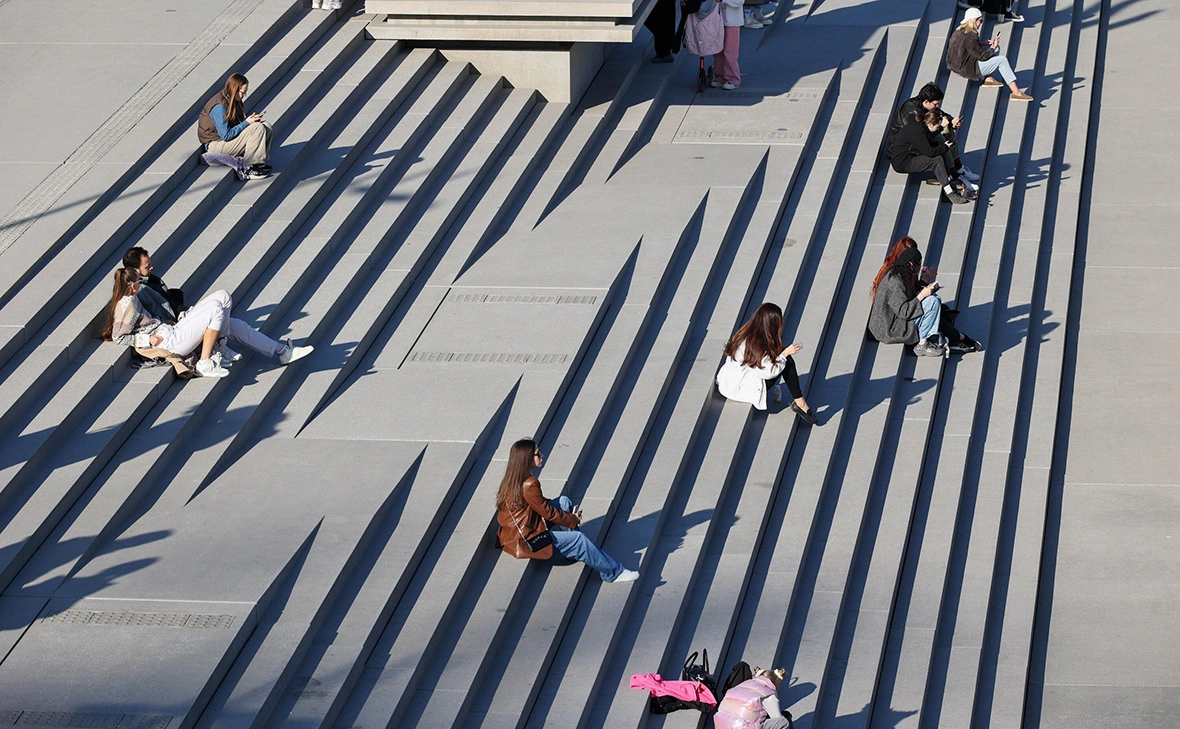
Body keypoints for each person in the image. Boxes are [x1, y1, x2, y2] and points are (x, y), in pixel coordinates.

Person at [101, 268, 313, 377]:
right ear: (131, 285)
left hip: (172, 330)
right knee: (216, 311)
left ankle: (281, 351)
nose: (142, 283)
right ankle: (205, 361)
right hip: (169, 342)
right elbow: (118, 337)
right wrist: (147, 339)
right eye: (139, 281)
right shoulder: (126, 305)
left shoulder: (133, 297)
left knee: (223, 297)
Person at [495, 439, 639, 583]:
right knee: (579, 539)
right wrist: (573, 519)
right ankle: (613, 573)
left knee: (563, 501)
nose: (542, 455)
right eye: (538, 454)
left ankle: (576, 550)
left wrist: (568, 518)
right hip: (526, 539)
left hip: (521, 529)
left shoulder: (513, 477)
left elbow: (538, 504)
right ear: (527, 459)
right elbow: (548, 513)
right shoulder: (529, 484)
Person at [868, 237, 982, 357]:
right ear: (911, 263)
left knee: (937, 304)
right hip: (889, 329)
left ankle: (957, 337)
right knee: (933, 302)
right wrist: (922, 294)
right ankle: (924, 344)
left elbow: (907, 297)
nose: (918, 268)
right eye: (917, 264)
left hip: (895, 320)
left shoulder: (901, 273)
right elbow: (904, 311)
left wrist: (923, 281)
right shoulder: (895, 280)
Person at [716, 303, 818, 424]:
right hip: (739, 389)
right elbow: (768, 373)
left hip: (730, 383)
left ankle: (799, 401)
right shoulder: (754, 346)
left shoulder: (746, 334)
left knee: (783, 356)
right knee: (787, 362)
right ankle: (800, 402)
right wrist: (784, 354)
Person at [889, 81, 981, 190]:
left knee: (948, 131)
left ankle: (958, 167)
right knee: (940, 137)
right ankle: (954, 175)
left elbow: (939, 114)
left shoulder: (926, 105)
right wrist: (941, 127)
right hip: (905, 149)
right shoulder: (912, 112)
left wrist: (951, 121)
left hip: (916, 141)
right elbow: (920, 135)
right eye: (935, 104)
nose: (937, 106)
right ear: (926, 101)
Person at [888, 109, 975, 204]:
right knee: (937, 160)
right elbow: (930, 152)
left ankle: (952, 177)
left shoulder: (921, 125)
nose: (938, 129)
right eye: (938, 127)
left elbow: (928, 139)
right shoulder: (917, 132)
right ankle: (949, 193)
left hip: (912, 154)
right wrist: (945, 147)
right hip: (903, 162)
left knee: (941, 146)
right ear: (931, 124)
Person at [946, 8, 1033, 100]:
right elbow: (982, 56)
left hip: (955, 66)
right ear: (974, 20)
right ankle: (1016, 92)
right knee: (1002, 60)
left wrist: (983, 43)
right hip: (967, 69)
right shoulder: (971, 36)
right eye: (980, 20)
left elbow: (967, 47)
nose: (981, 23)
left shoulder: (958, 32)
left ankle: (988, 79)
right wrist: (993, 47)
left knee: (992, 50)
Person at [197, 73, 273, 177]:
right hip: (215, 144)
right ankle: (250, 168)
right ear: (234, 90)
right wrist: (247, 123)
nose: (244, 95)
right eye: (243, 92)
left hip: (227, 141)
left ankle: (259, 163)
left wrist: (251, 120)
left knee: (266, 126)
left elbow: (237, 124)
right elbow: (226, 136)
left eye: (246, 92)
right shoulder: (219, 107)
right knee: (257, 128)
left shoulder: (234, 100)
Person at [713, 667, 792, 729]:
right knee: (783, 722)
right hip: (742, 727)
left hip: (721, 724)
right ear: (777, 684)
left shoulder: (743, 684)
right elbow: (777, 718)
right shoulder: (769, 695)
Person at [122, 246, 184, 323]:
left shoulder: (151, 279)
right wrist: (164, 322)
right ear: (135, 270)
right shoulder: (138, 291)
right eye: (147, 267)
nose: (151, 267)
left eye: (150, 264)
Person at [712, 0, 745, 90]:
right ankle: (719, 76)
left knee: (730, 52)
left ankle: (733, 79)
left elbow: (739, 1)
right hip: (717, 20)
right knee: (718, 51)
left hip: (732, 22)